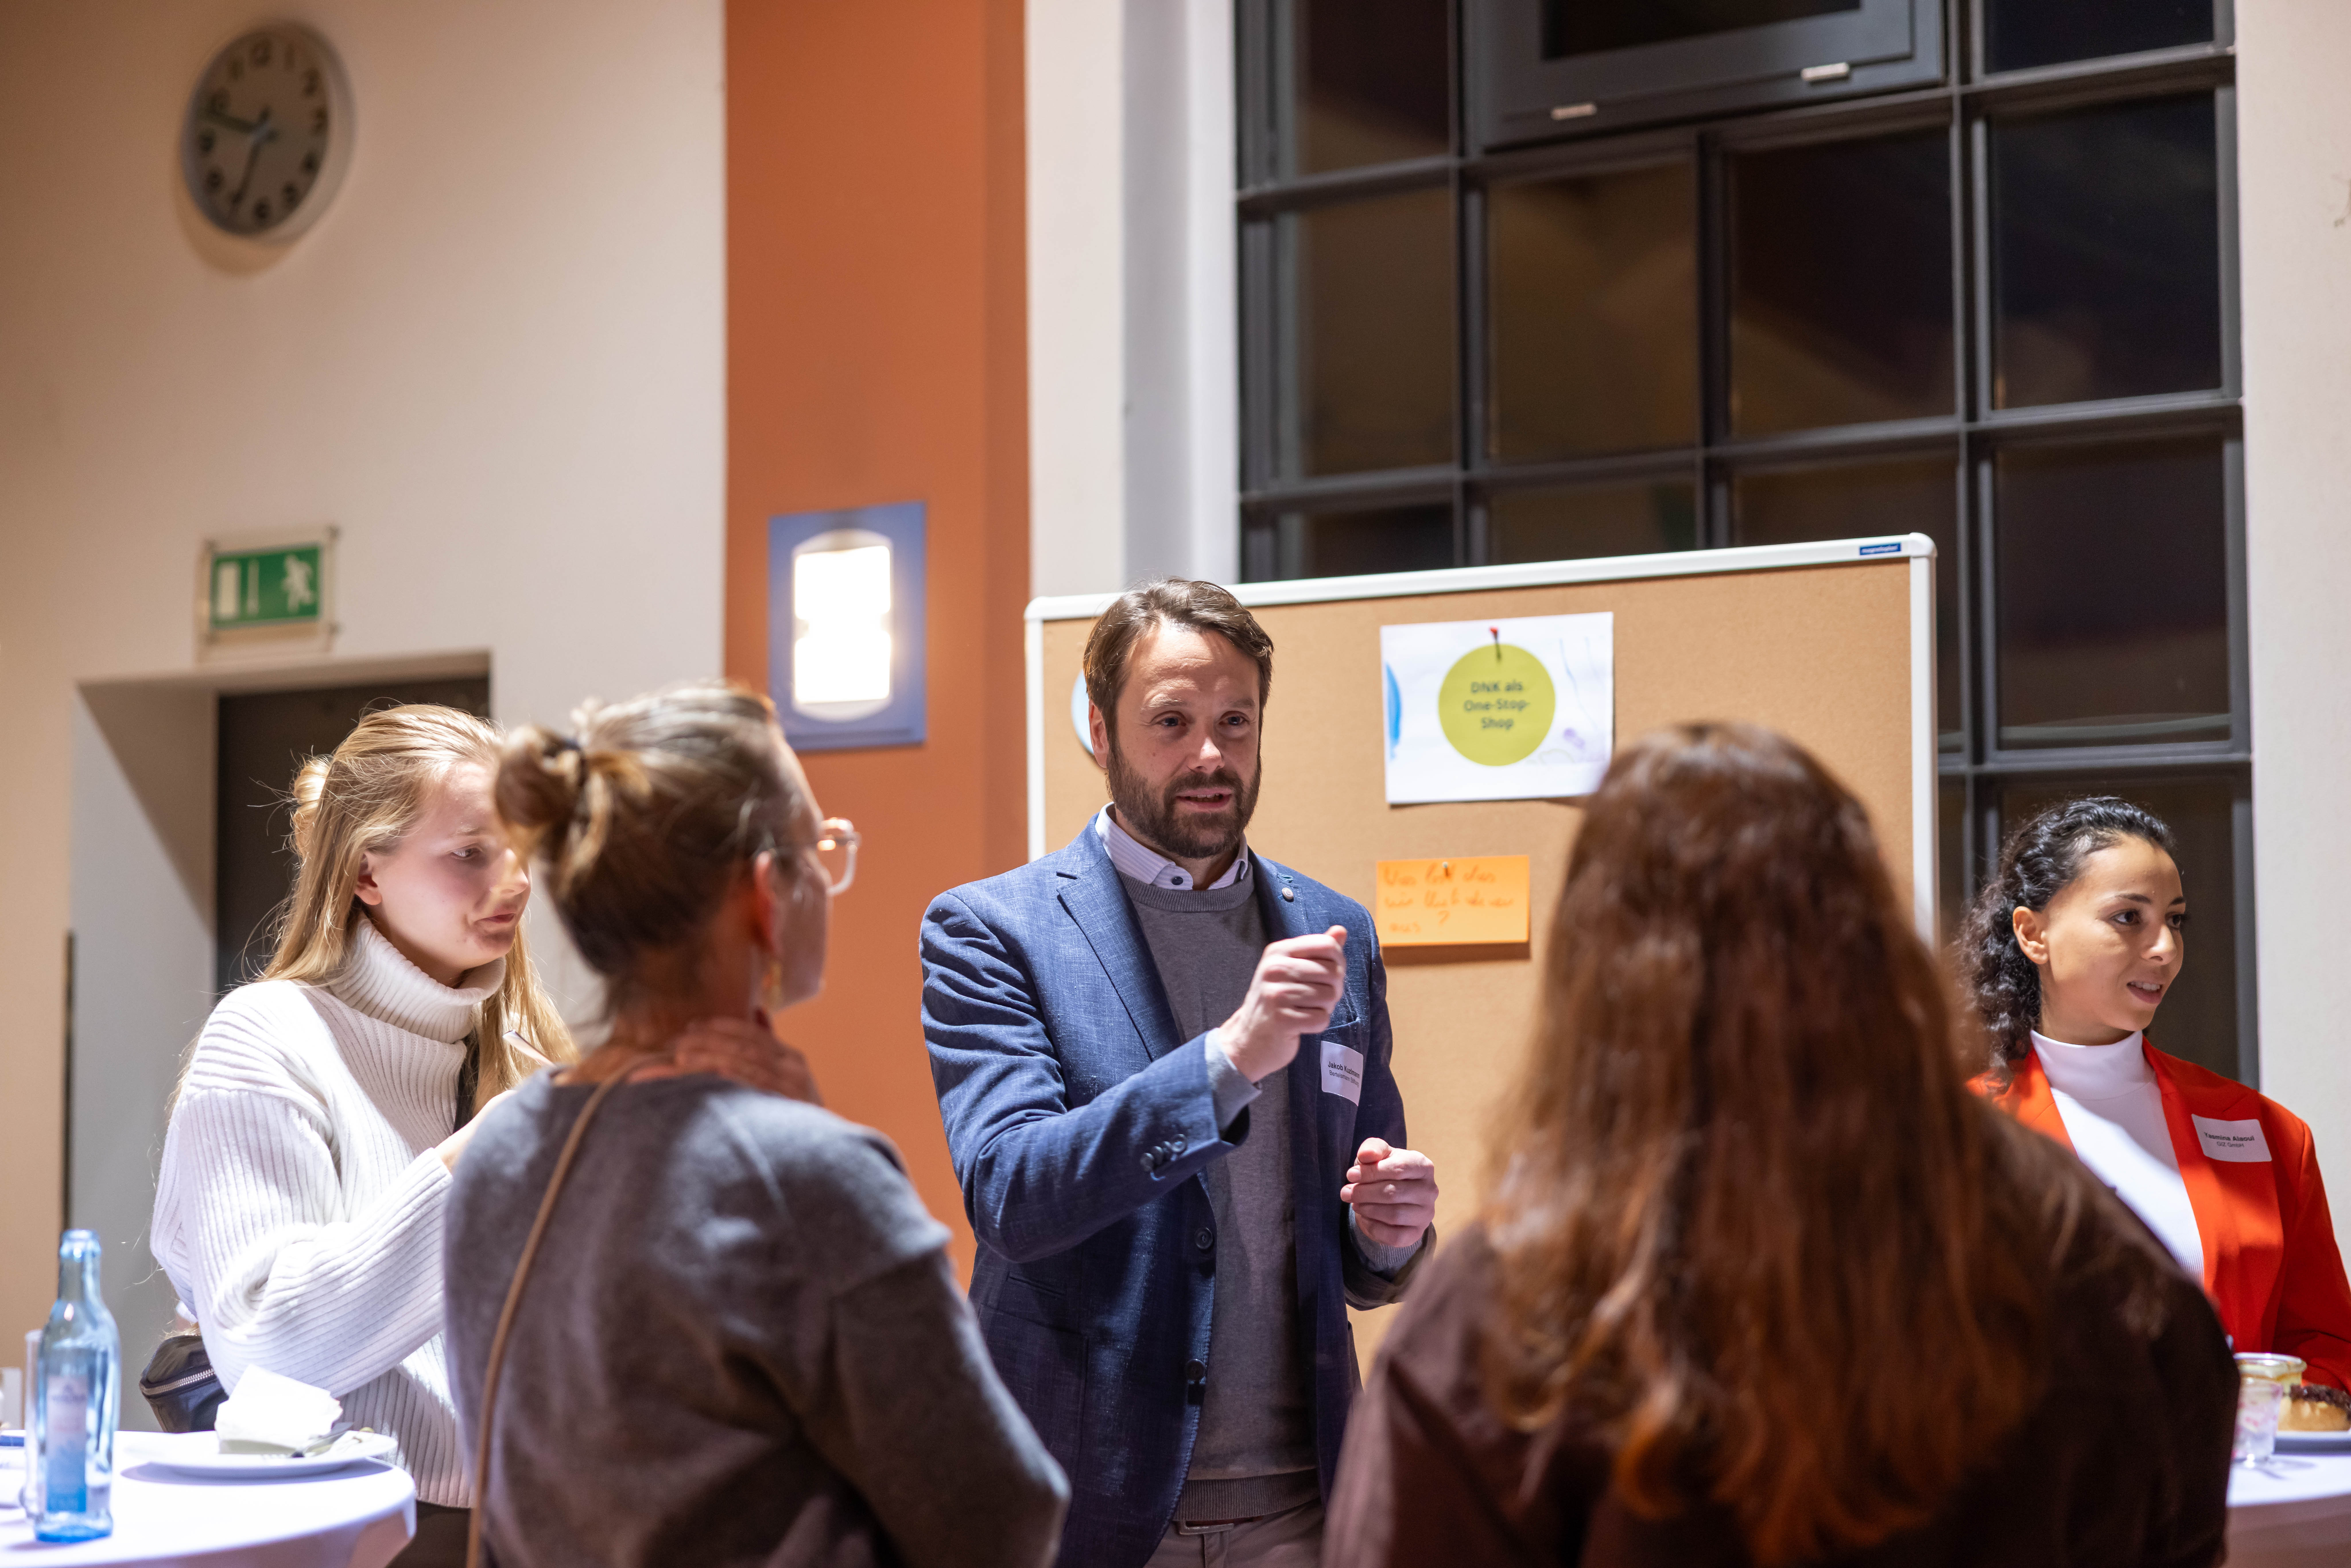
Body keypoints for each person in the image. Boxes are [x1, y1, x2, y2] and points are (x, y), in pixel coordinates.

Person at [1326, 724, 2237, 1568]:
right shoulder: (2067, 1236)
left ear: (1599, 982)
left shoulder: (1523, 1294)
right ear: (1877, 941)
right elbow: (2187, 1469)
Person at [443, 681, 1066, 1568]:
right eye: (821, 847)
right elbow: (1003, 1521)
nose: (830, 874)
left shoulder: (506, 1149)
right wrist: (818, 1155)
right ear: (767, 895)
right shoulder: (806, 1175)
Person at [922, 579, 1439, 1568]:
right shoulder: (994, 930)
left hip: (1307, 1505)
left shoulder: (1334, 928)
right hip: (1094, 1507)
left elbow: (1357, 1231)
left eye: (1234, 721)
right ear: (1101, 728)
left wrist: (1388, 1235)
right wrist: (1227, 1058)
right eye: (1172, 721)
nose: (1211, 754)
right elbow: (1013, 1193)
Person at [152, 705, 577, 1566]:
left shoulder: (525, 1059)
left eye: (521, 849)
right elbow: (271, 1348)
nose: (516, 884)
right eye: (470, 854)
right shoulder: (267, 1035)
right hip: (366, 1536)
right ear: (365, 874)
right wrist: (474, 1163)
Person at [1962, 795, 2351, 1389]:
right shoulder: (1954, 1134)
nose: (2165, 948)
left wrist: (2261, 1410)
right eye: (2128, 918)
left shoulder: (2269, 1133)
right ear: (2033, 933)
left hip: (2237, 1478)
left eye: (2174, 919)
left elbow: (2324, 1343)